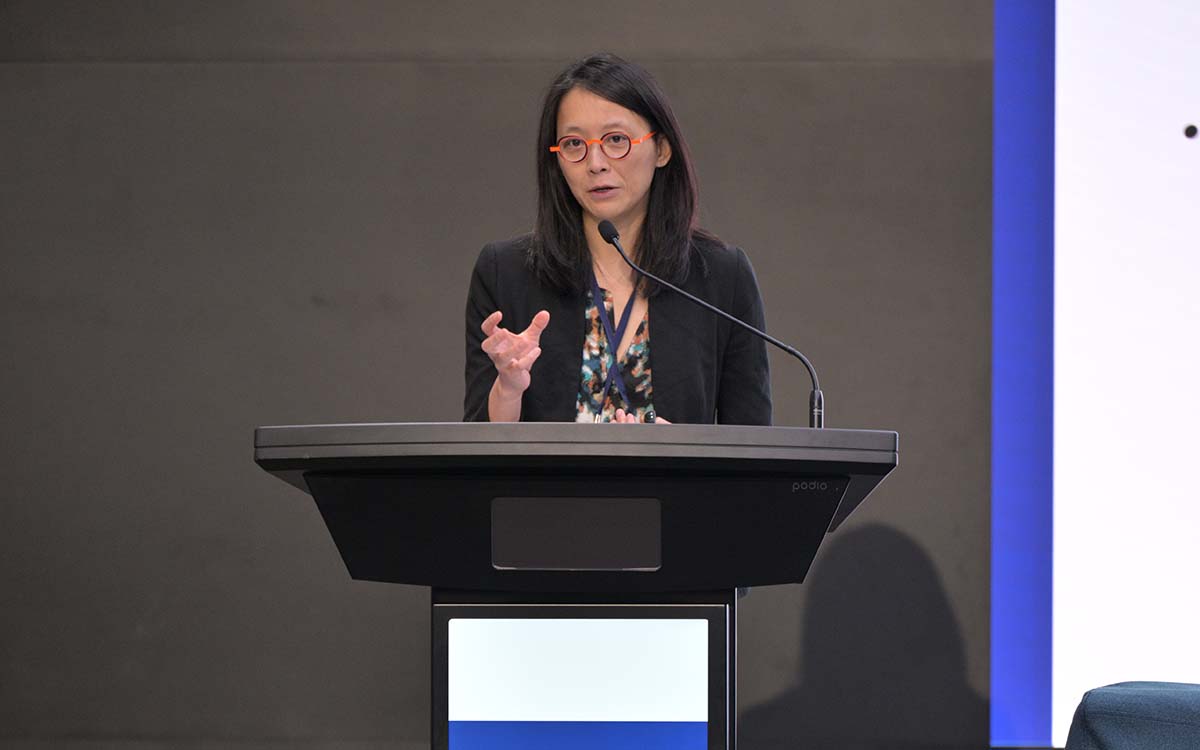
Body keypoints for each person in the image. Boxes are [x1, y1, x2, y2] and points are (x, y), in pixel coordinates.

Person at [464, 53, 771, 425]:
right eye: (574, 144)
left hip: (671, 487)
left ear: (661, 149)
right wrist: (508, 389)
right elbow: (478, 456)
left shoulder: (721, 276)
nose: (595, 162)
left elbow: (752, 454)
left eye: (615, 140)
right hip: (548, 487)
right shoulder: (506, 273)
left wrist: (685, 458)